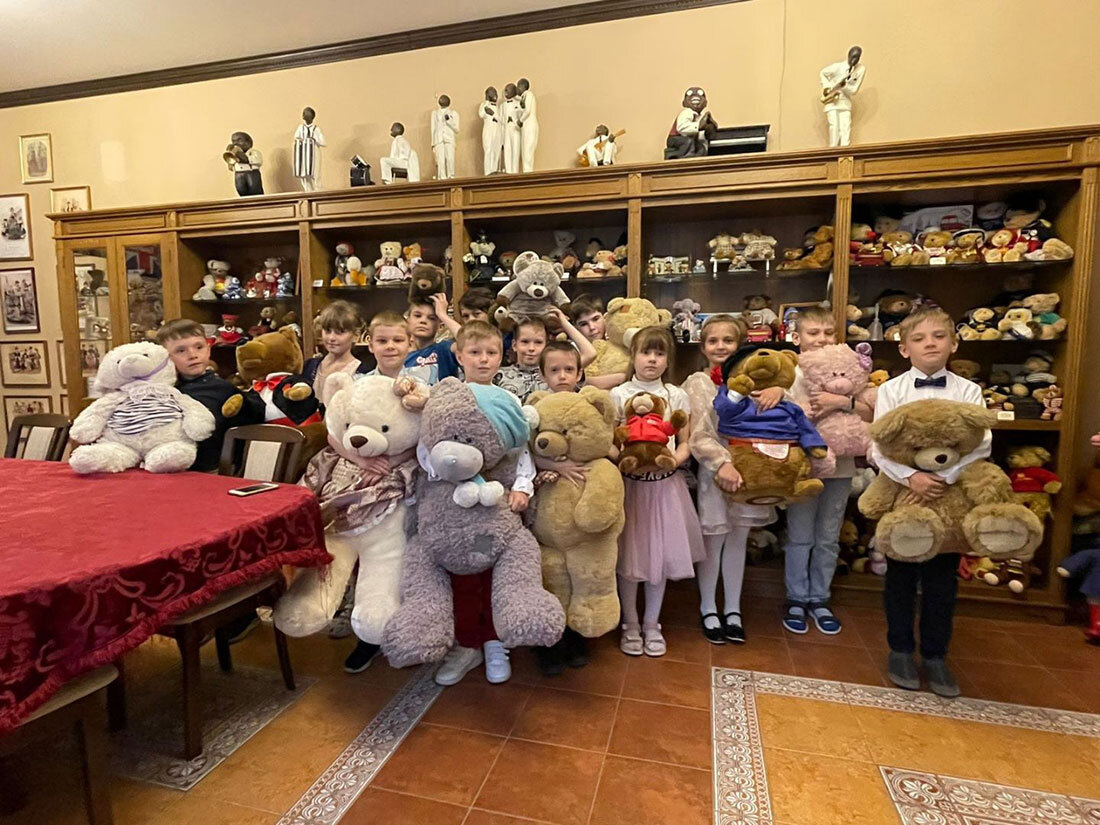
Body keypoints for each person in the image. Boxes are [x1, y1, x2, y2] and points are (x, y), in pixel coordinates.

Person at [872, 307, 989, 698]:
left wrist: (945, 477)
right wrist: (912, 477)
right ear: (904, 349)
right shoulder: (891, 390)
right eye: (919, 339)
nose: (930, 344)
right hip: (905, 492)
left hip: (949, 496)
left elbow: (982, 444)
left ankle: (936, 656)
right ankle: (900, 650)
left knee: (942, 582)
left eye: (939, 336)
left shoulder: (968, 391)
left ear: (953, 343)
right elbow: (879, 445)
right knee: (901, 577)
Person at [428, 320, 537, 686]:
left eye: (491, 352)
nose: (484, 359)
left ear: (501, 356)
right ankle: (467, 644)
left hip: (495, 506)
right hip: (454, 505)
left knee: (490, 573)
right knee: (462, 577)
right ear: (459, 355)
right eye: (475, 352)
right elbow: (430, 447)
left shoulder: (509, 401)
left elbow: (521, 450)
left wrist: (522, 487)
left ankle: (493, 640)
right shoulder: (446, 397)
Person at [683, 314, 783, 644]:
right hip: (715, 473)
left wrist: (779, 390)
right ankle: (708, 607)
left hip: (750, 471)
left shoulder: (757, 380)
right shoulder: (697, 383)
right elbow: (698, 434)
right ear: (703, 346)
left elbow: (778, 418)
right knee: (714, 540)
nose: (720, 346)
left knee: (739, 540)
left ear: (739, 345)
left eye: (728, 340)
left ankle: (733, 609)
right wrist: (721, 464)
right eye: (713, 341)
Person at [610, 326, 705, 657]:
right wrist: (624, 460)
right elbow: (610, 440)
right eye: (645, 352)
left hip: (665, 489)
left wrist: (673, 461)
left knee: (658, 559)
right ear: (633, 356)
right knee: (628, 558)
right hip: (630, 489)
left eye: (659, 353)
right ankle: (630, 623)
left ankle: (652, 623)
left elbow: (686, 441)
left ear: (668, 360)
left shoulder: (676, 395)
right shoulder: (618, 394)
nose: (652, 359)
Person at [782, 307, 873, 636]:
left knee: (828, 536)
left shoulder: (848, 367)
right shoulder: (790, 373)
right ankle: (796, 597)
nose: (821, 339)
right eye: (813, 333)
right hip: (804, 466)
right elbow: (783, 416)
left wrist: (843, 403)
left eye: (828, 332)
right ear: (797, 337)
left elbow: (870, 411)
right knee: (800, 535)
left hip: (841, 467)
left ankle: (819, 597)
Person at [155, 319, 264, 473]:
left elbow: (254, 419)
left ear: (208, 349)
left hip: (211, 470)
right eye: (181, 351)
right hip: (164, 465)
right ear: (165, 357)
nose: (192, 355)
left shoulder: (223, 389)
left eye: (198, 347)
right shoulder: (162, 389)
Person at [493, 310, 596, 403]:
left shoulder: (556, 371)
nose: (531, 348)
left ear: (546, 345)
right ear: (514, 345)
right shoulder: (498, 374)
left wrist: (563, 322)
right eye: (525, 342)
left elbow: (590, 353)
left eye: (538, 342)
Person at [302, 301, 370, 407]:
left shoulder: (363, 373)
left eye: (340, 332)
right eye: (327, 331)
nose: (331, 338)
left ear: (355, 336)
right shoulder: (309, 366)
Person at [570, 294, 626, 390]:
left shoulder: (618, 341)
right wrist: (622, 377)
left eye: (596, 319)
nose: (592, 327)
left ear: (605, 317)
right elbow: (574, 382)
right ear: (576, 328)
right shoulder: (572, 350)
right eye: (583, 324)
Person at [363, 310, 430, 383]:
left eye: (398, 340)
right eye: (382, 341)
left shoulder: (421, 385)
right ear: (371, 346)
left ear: (410, 345)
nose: (390, 346)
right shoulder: (360, 385)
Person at [405, 297, 460, 384]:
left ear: (440, 325)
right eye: (417, 316)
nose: (423, 321)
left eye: (431, 318)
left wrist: (443, 315)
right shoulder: (400, 355)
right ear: (408, 320)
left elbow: (470, 342)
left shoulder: (444, 349)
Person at [820, 45, 866, 148]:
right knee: (834, 126)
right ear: (848, 56)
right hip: (832, 101)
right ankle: (833, 149)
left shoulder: (860, 69)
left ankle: (845, 150)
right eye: (852, 57)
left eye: (857, 58)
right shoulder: (838, 67)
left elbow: (854, 90)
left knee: (846, 127)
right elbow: (823, 73)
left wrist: (844, 86)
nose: (854, 60)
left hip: (845, 102)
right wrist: (828, 87)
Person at [293, 106, 326, 191]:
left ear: (312, 117)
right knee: (305, 175)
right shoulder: (301, 128)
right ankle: (308, 191)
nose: (306, 116)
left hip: (314, 154)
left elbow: (323, 142)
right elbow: (296, 137)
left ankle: (317, 192)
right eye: (305, 114)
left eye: (308, 114)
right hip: (304, 154)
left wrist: (314, 139)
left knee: (315, 174)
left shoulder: (316, 129)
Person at [430, 94, 460, 180]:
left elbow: (457, 129)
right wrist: (433, 144)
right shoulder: (435, 114)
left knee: (450, 158)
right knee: (440, 161)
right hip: (438, 139)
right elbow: (433, 128)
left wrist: (449, 121)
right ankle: (442, 177)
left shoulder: (454, 113)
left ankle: (451, 176)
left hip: (449, 139)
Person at [226, 131, 263, 196]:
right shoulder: (234, 153)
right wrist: (230, 158)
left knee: (254, 189)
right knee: (241, 189)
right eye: (233, 141)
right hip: (238, 174)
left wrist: (239, 154)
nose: (235, 143)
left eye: (239, 140)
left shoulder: (253, 152)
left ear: (248, 142)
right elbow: (231, 167)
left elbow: (255, 160)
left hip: (251, 173)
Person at [478, 86, 504, 176]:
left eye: (496, 93)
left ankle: (494, 170)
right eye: (492, 93)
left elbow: (501, 120)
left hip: (497, 131)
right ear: (487, 95)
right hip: (488, 130)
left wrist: (492, 114)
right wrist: (486, 103)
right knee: (488, 150)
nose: (495, 95)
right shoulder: (484, 105)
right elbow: (481, 114)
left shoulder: (499, 107)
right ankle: (488, 172)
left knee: (496, 151)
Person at [517, 77, 539, 173]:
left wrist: (520, 120)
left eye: (518, 86)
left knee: (528, 149)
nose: (517, 89)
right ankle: (526, 170)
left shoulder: (528, 95)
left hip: (529, 125)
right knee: (525, 149)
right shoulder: (523, 96)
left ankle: (528, 171)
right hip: (526, 126)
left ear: (522, 86)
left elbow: (527, 110)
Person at [501, 83, 522, 174]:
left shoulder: (518, 103)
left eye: (507, 90)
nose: (505, 92)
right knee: (507, 150)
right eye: (505, 90)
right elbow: (501, 120)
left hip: (515, 129)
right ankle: (508, 171)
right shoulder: (502, 105)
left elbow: (521, 115)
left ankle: (515, 171)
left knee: (515, 149)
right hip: (506, 129)